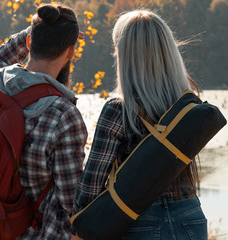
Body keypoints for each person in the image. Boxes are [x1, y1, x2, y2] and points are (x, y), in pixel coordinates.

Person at [74, 9, 207, 239]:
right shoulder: (186, 105)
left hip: (139, 223)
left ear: (125, 56)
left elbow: (90, 187)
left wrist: (77, 223)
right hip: (190, 216)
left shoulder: (119, 110)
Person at [0, 3, 88, 239]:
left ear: (29, 43)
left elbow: (0, 56)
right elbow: (73, 202)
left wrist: (35, 29)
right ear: (71, 52)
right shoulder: (64, 115)